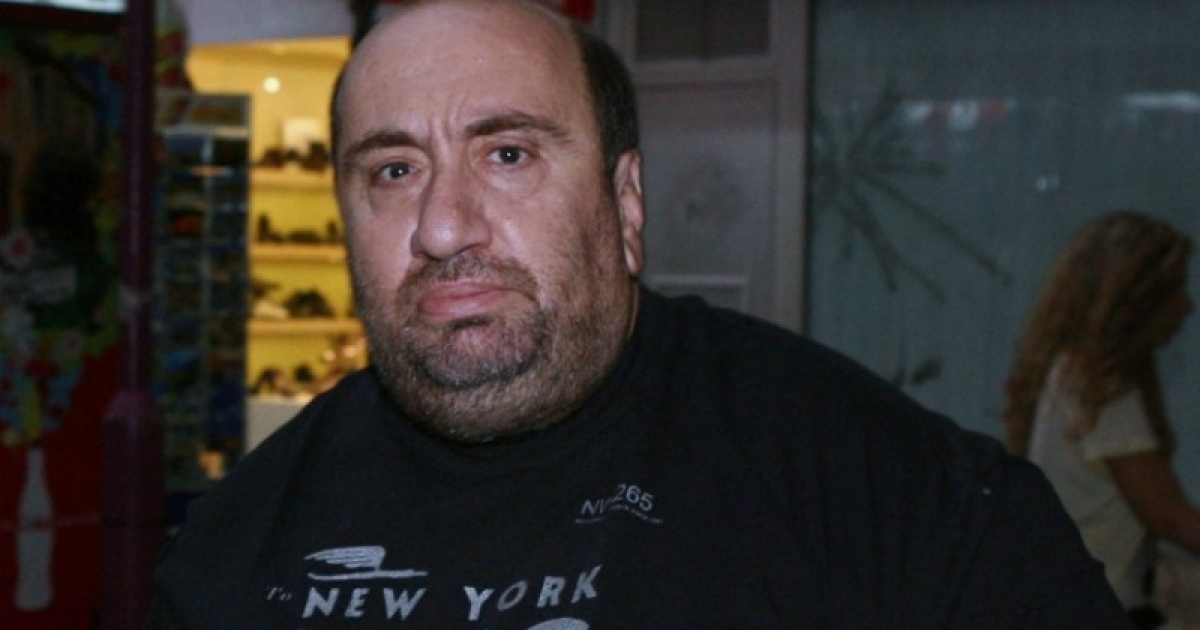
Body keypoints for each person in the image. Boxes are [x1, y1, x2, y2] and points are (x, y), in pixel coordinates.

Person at [146, 1, 1129, 627]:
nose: (443, 226)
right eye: (394, 171)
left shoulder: (875, 491)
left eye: (508, 155)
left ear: (625, 204)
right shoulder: (237, 544)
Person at [1004, 211, 1200, 629]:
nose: (1187, 306)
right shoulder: (1103, 392)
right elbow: (1169, 517)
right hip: (1101, 609)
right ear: (1136, 300)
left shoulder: (1067, 372)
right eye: (1174, 289)